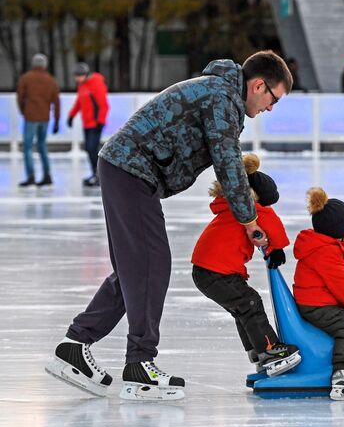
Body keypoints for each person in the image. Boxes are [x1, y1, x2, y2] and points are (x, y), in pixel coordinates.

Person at [45, 50, 292, 401]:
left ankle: (75, 345)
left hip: (124, 169)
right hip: (131, 171)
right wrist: (249, 219)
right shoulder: (221, 98)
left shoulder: (217, 92)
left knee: (134, 270)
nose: (271, 107)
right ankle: (140, 364)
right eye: (273, 99)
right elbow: (228, 163)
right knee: (150, 266)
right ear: (258, 85)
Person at [191, 154, 301, 377]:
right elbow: (272, 224)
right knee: (250, 304)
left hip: (205, 271)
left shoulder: (230, 206)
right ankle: (269, 350)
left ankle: (256, 349)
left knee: (241, 308)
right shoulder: (250, 208)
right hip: (217, 272)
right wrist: (277, 248)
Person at [293, 187, 344, 401]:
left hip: (315, 301)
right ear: (338, 229)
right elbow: (340, 283)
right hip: (316, 304)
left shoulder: (324, 247)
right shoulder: (326, 252)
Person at [16, 53, 61, 187]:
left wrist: (24, 111)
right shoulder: (50, 80)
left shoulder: (26, 78)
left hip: (30, 117)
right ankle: (47, 174)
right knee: (42, 146)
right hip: (44, 118)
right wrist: (56, 120)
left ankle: (31, 176)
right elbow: (56, 102)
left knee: (28, 147)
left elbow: (20, 97)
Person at [67, 62, 109, 187]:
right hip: (87, 124)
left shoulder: (96, 84)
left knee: (92, 149)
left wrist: (100, 122)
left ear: (85, 75)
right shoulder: (82, 85)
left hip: (95, 123)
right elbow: (79, 102)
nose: (77, 79)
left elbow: (104, 105)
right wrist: (71, 115)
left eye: (79, 76)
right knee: (89, 149)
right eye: (76, 76)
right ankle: (95, 174)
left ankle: (100, 176)